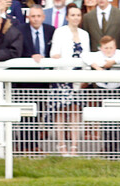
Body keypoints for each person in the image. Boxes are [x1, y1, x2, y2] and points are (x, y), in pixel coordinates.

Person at [50, 3, 89, 157]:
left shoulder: (84, 34)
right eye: (72, 15)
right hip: (62, 78)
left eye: (78, 15)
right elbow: (54, 53)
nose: (75, 18)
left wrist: (85, 77)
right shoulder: (60, 32)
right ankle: (61, 146)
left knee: (75, 113)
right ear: (67, 17)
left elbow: (87, 56)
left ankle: (74, 147)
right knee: (60, 113)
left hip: (78, 80)